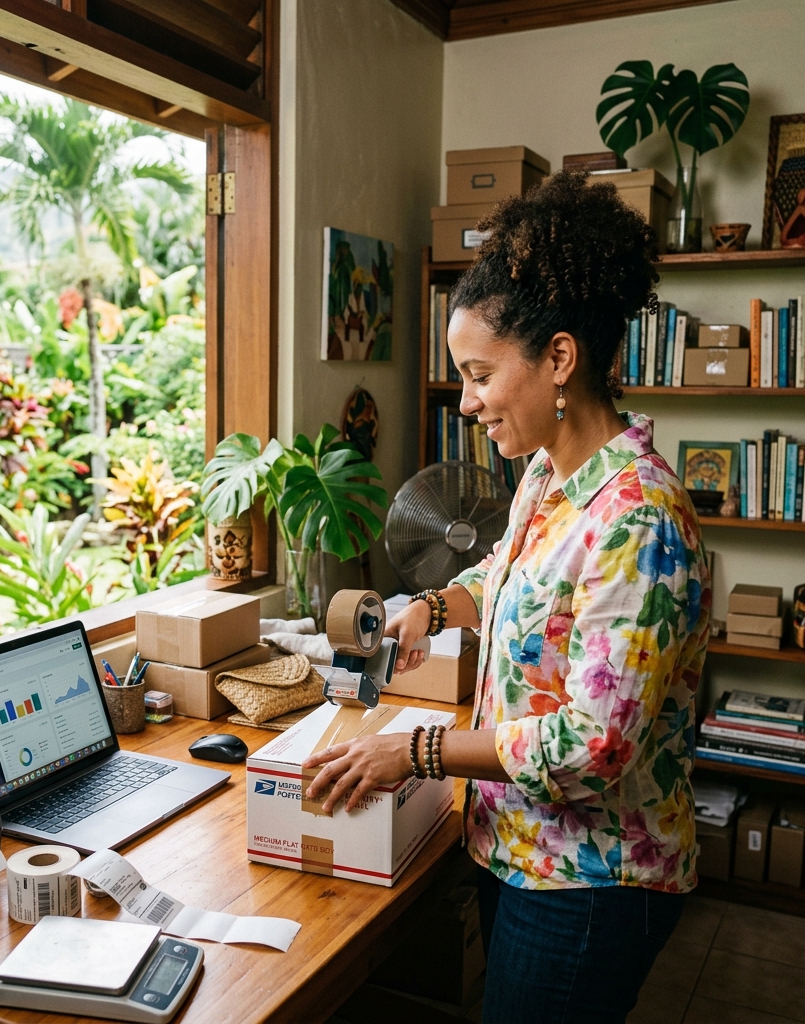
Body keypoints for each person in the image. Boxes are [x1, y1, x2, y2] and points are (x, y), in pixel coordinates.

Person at [303, 171, 711, 1024]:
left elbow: (594, 747)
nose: (466, 401)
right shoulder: (547, 476)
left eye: (480, 374)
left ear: (558, 357)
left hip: (590, 880)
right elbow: (507, 575)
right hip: (516, 848)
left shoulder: (640, 520)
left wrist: (416, 752)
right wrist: (438, 605)